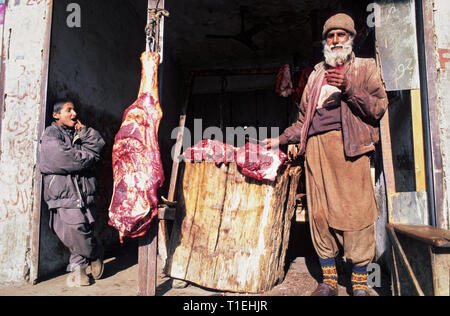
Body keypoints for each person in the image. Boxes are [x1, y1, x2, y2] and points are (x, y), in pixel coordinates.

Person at [263, 13, 388, 296]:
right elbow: (303, 120)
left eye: (340, 35)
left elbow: (378, 108)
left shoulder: (365, 68)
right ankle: (329, 282)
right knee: (319, 215)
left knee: (356, 215)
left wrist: (349, 88)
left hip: (350, 150)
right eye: (330, 36)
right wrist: (280, 139)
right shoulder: (316, 75)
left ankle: (359, 284)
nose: (334, 40)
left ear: (351, 39)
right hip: (316, 151)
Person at [39, 100, 106, 286]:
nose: (74, 113)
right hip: (63, 192)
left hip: (84, 191)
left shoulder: (80, 131)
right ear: (56, 115)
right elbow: (62, 159)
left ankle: (79, 269)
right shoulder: (51, 134)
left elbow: (98, 146)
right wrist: (88, 158)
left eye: (74, 110)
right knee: (72, 229)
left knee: (84, 227)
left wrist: (84, 133)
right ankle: (95, 253)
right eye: (68, 110)